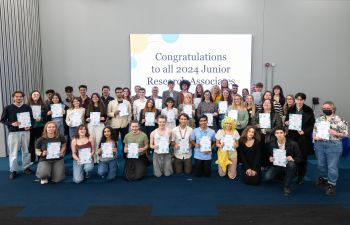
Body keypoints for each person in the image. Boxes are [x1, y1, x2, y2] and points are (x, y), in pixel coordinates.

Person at [313, 101, 348, 195]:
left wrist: (335, 133)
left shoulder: (339, 120)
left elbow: (345, 134)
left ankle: (332, 184)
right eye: (324, 108)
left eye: (328, 108)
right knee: (320, 164)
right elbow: (314, 131)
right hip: (320, 144)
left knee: (332, 167)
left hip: (334, 145)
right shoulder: (319, 119)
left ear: (333, 109)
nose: (326, 109)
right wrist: (315, 137)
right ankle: (324, 178)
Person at [1, 91, 34, 179]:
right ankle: (13, 170)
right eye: (16, 97)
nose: (18, 98)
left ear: (23, 97)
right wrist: (12, 124)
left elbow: (31, 119)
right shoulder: (8, 108)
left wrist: (30, 126)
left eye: (20, 96)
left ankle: (26, 167)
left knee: (26, 151)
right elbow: (3, 120)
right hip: (13, 132)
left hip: (26, 132)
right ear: (13, 97)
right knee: (13, 153)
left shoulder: (27, 107)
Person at [285, 93, 315, 185]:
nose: (299, 101)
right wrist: (286, 122)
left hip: (303, 138)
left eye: (301, 99)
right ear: (295, 100)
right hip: (292, 136)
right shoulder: (290, 109)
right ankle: (293, 173)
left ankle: (301, 176)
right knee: (292, 155)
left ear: (304, 100)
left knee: (303, 157)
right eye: (297, 99)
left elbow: (312, 125)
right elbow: (286, 121)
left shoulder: (309, 110)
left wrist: (305, 132)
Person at [265, 126, 302, 196]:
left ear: (285, 133)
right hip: (277, 165)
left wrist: (293, 159)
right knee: (267, 177)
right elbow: (269, 155)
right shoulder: (271, 144)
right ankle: (282, 175)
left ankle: (287, 186)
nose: (279, 135)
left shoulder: (293, 143)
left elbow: (300, 158)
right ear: (275, 134)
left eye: (281, 133)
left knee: (292, 165)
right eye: (277, 133)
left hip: (288, 164)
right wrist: (270, 158)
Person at [252, 99, 282, 167]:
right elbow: (253, 122)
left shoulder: (275, 115)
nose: (266, 104)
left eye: (268, 103)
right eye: (265, 102)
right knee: (260, 151)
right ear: (262, 104)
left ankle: (271, 166)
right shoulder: (259, 112)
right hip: (259, 135)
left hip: (271, 137)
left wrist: (268, 130)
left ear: (271, 105)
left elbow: (279, 126)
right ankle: (262, 165)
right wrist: (257, 126)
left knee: (270, 151)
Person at [107, 87, 132, 158]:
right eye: (117, 92)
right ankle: (115, 154)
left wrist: (128, 121)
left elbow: (130, 113)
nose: (119, 93)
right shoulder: (111, 103)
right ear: (115, 93)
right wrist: (114, 113)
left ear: (123, 93)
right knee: (115, 141)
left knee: (125, 140)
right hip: (115, 124)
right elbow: (108, 113)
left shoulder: (127, 102)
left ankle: (125, 154)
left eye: (120, 92)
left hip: (124, 124)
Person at [86, 93, 107, 162]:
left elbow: (105, 117)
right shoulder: (89, 106)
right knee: (92, 141)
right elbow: (86, 117)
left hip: (100, 125)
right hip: (91, 125)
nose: (94, 98)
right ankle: (94, 158)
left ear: (98, 98)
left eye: (96, 97)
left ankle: (98, 157)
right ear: (91, 98)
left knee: (99, 140)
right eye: (93, 97)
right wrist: (87, 119)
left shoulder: (102, 106)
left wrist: (102, 118)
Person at [28, 90, 48, 163]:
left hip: (40, 127)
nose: (36, 95)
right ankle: (31, 159)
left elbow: (46, 117)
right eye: (34, 94)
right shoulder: (27, 106)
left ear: (39, 96)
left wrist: (41, 119)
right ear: (31, 95)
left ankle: (40, 157)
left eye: (37, 94)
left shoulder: (43, 106)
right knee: (31, 143)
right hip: (31, 127)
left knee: (40, 142)